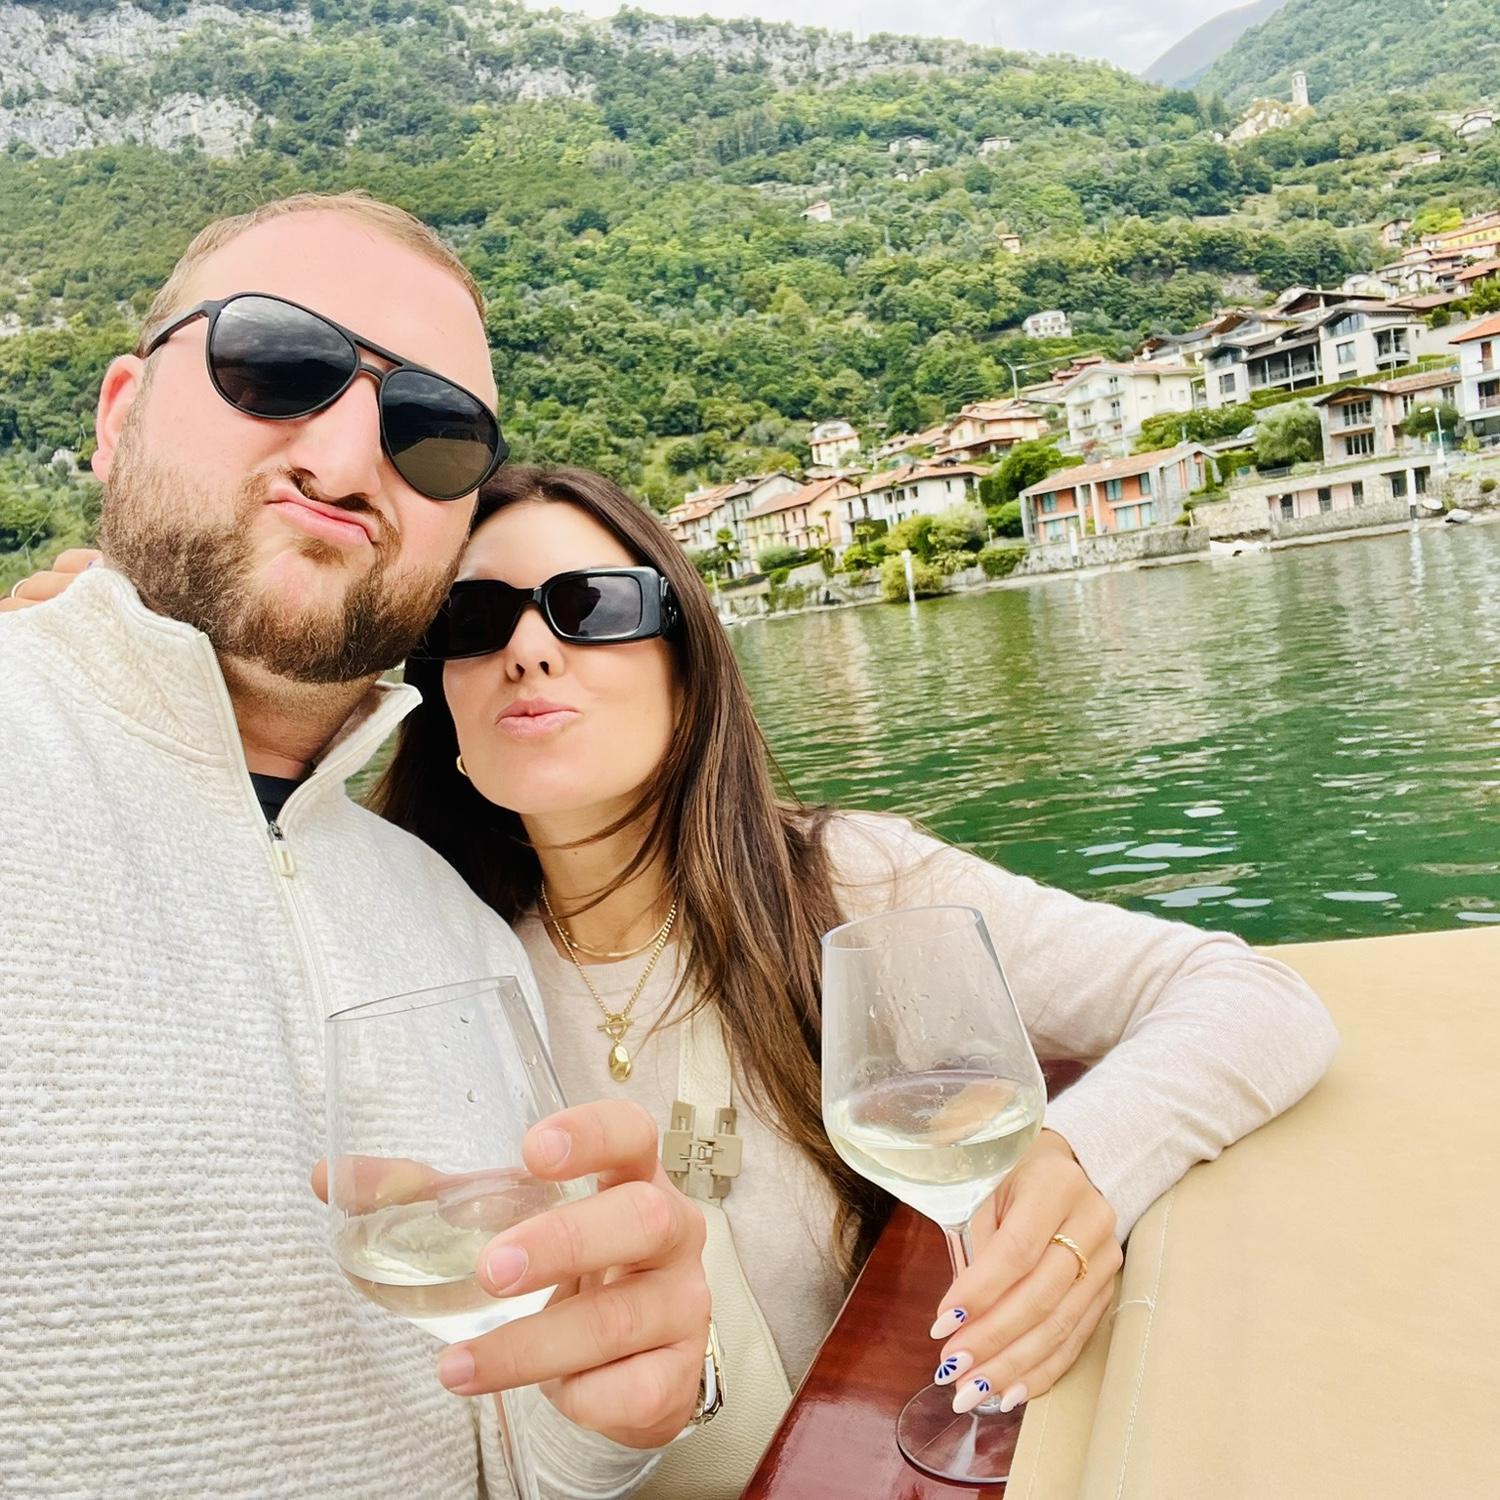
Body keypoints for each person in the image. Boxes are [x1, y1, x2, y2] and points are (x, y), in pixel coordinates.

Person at [364, 464, 1341, 1496]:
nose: (526, 650)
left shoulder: (848, 886)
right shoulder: (438, 978)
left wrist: (1086, 1162)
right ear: (442, 699)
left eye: (593, 606)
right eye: (473, 620)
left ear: (689, 671)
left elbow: (1252, 998)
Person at [0, 196, 711, 1500]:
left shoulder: (457, 924)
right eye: (276, 363)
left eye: (434, 431)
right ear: (118, 415)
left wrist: (608, 1420)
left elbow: (513, 1454)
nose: (343, 459)